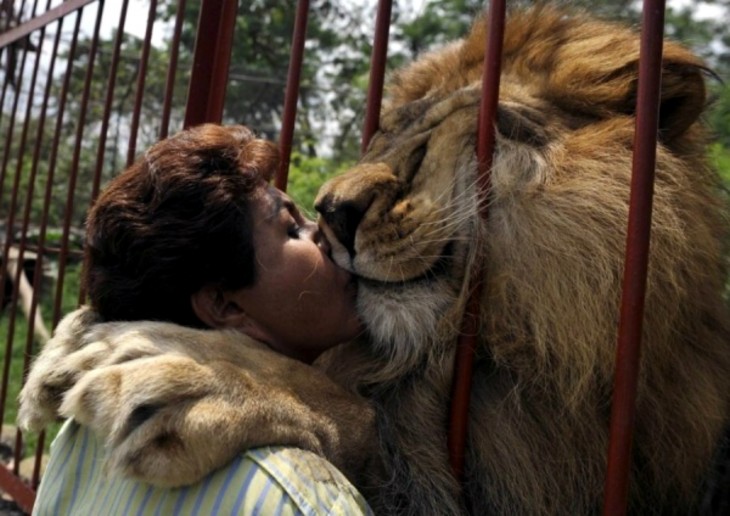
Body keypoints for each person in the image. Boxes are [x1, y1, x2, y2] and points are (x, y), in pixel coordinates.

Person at [29, 124, 372, 515]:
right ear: (226, 307)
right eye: (292, 229)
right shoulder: (297, 495)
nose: (324, 236)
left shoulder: (83, 437)